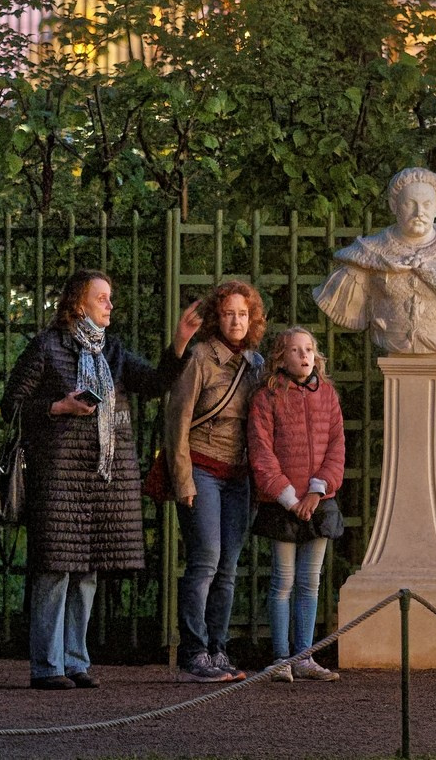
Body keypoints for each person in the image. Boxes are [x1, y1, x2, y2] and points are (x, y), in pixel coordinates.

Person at [1, 269, 201, 690]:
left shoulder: (113, 350)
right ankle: (47, 666)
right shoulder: (46, 346)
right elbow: (12, 406)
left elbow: (155, 383)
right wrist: (58, 407)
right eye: (102, 298)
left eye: (110, 298)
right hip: (58, 475)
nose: (110, 305)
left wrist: (181, 340)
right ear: (78, 303)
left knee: (88, 570)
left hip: (102, 478)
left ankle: (76, 660)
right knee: (55, 570)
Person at [164, 279, 266, 682]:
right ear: (216, 317)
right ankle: (193, 652)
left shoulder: (256, 364)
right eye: (228, 313)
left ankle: (218, 650)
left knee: (228, 568)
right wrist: (182, 480)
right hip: (202, 470)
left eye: (243, 314)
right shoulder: (200, 358)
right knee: (205, 561)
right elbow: (178, 422)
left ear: (252, 318)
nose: (236, 321)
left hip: (238, 477)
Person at [313, 167, 436, 354]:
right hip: (391, 344)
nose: (419, 213)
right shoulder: (367, 254)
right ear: (394, 205)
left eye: (426, 204)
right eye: (410, 204)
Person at [248, 327, 345, 682]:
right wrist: (290, 498)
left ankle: (304, 656)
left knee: (310, 582)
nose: (304, 356)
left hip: (319, 502)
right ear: (280, 357)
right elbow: (262, 453)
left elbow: (336, 446)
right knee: (283, 581)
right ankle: (281, 658)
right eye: (295, 350)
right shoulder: (266, 398)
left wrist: (317, 491)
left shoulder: (328, 394)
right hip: (283, 504)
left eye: (309, 349)